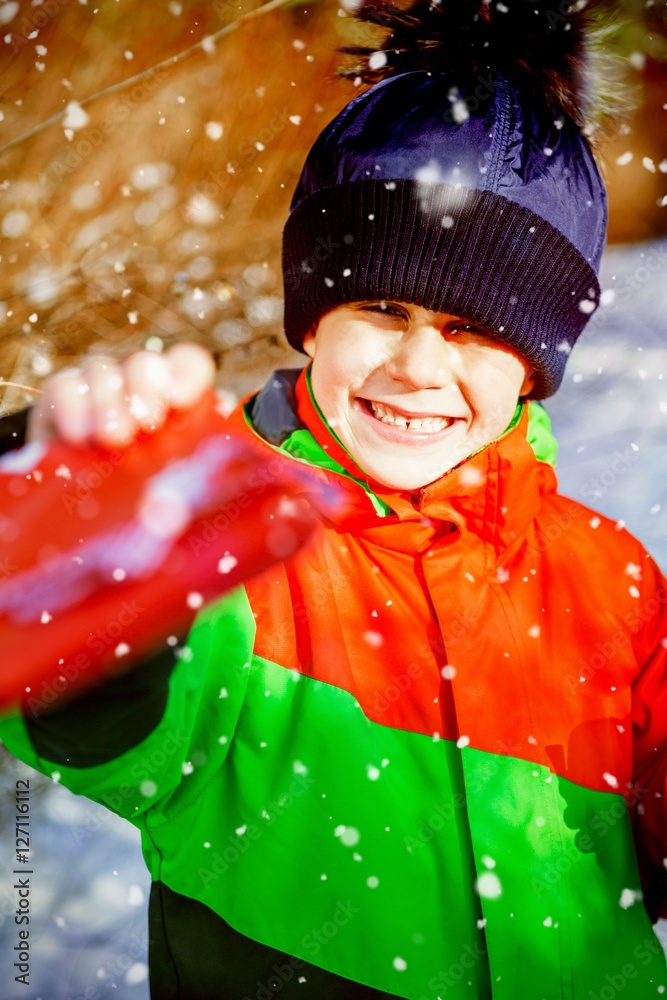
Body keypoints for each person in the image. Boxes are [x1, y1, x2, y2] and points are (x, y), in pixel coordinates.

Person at [2, 2, 667, 998]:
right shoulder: (227, 542)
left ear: (535, 363)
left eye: (471, 329)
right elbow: (111, 723)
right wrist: (93, 524)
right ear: (312, 319)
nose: (415, 365)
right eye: (380, 309)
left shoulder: (607, 582)